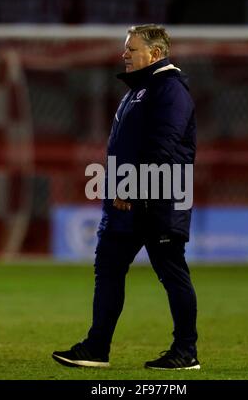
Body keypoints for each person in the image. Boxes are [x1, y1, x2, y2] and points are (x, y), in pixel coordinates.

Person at [52, 24, 199, 370]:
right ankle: (96, 347)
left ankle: (186, 351)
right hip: (128, 201)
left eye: (131, 49)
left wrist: (131, 187)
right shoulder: (139, 90)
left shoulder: (171, 90)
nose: (124, 54)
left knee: (171, 271)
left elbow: (163, 146)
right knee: (108, 268)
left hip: (158, 199)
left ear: (155, 54)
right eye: (126, 48)